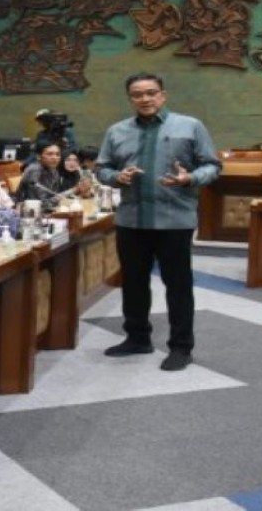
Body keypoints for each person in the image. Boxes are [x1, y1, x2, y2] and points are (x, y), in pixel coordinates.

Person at [95, 72, 221, 372]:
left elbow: (213, 165)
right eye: (137, 94)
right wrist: (116, 177)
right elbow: (102, 168)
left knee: (178, 286)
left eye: (151, 93)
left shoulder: (190, 126)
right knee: (133, 283)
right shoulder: (117, 131)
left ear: (162, 95)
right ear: (130, 99)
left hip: (174, 219)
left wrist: (190, 177)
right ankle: (137, 338)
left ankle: (181, 347)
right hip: (131, 220)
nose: (145, 99)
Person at [15, 140, 74, 208]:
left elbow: (54, 197)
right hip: (28, 213)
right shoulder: (34, 171)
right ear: (38, 156)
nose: (54, 158)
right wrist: (73, 190)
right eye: (50, 154)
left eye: (57, 154)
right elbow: (41, 205)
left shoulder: (54, 170)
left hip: (47, 212)